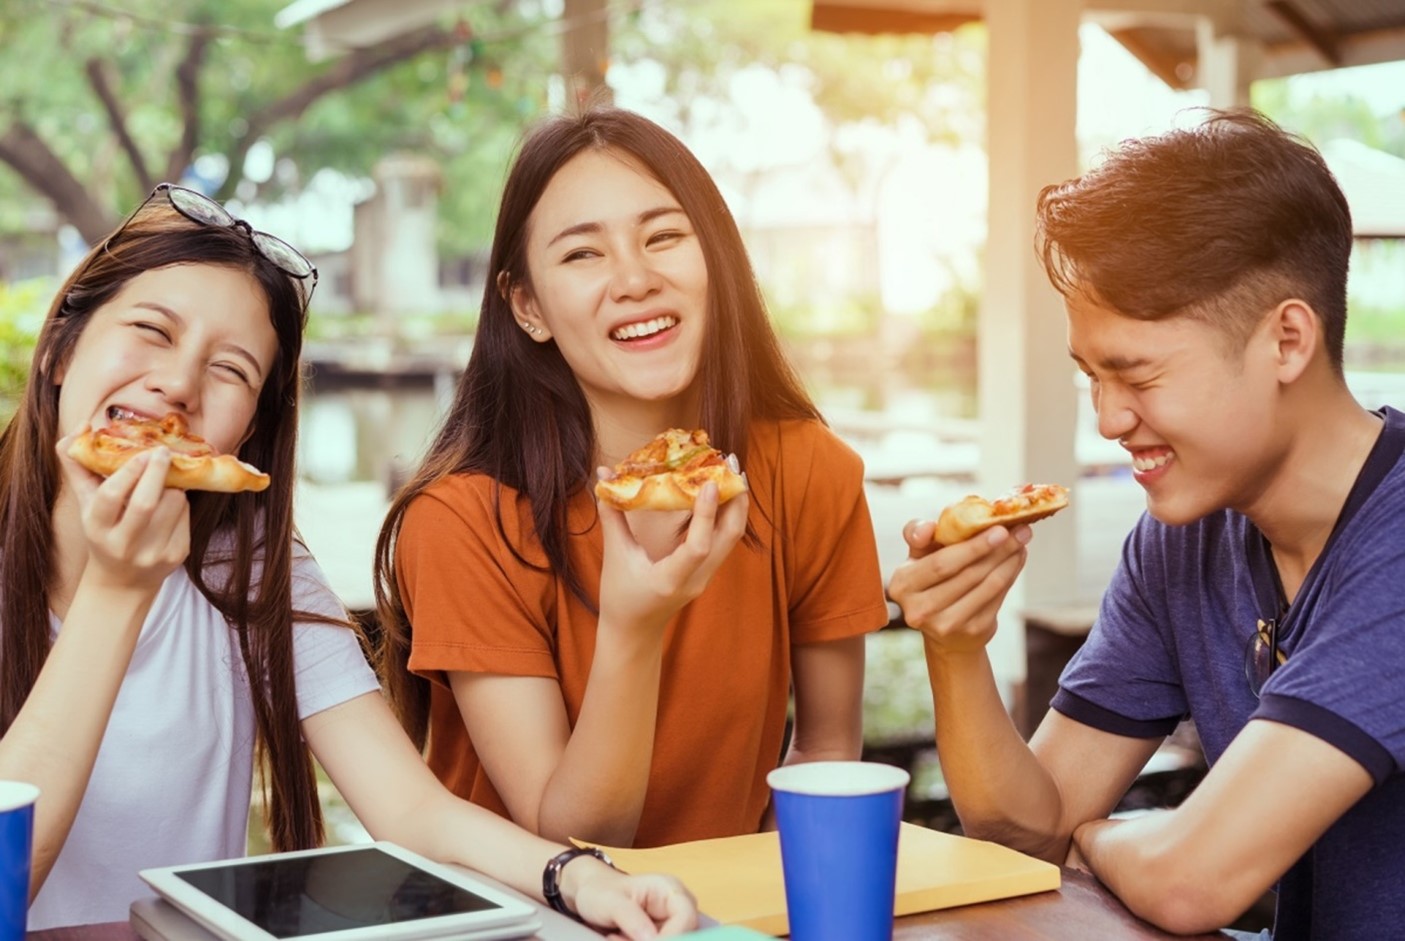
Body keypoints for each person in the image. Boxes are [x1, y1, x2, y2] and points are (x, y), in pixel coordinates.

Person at [0, 182, 696, 937]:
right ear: (62, 349)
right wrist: (116, 592)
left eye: (231, 369)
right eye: (151, 330)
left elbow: (410, 808)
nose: (177, 386)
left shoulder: (253, 566)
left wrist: (577, 876)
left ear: (248, 431)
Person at [888, 108, 1405, 939]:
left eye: (1136, 373)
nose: (1107, 419)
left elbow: (1187, 885)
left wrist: (1099, 838)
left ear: (1285, 340)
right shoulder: (1183, 537)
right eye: (1090, 375)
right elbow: (1028, 830)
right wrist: (954, 648)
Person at [374, 107, 889, 850]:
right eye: (582, 254)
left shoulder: (810, 471)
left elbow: (824, 756)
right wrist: (632, 627)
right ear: (527, 307)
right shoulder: (460, 521)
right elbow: (574, 836)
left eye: (664, 237)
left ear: (715, 258)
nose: (635, 279)